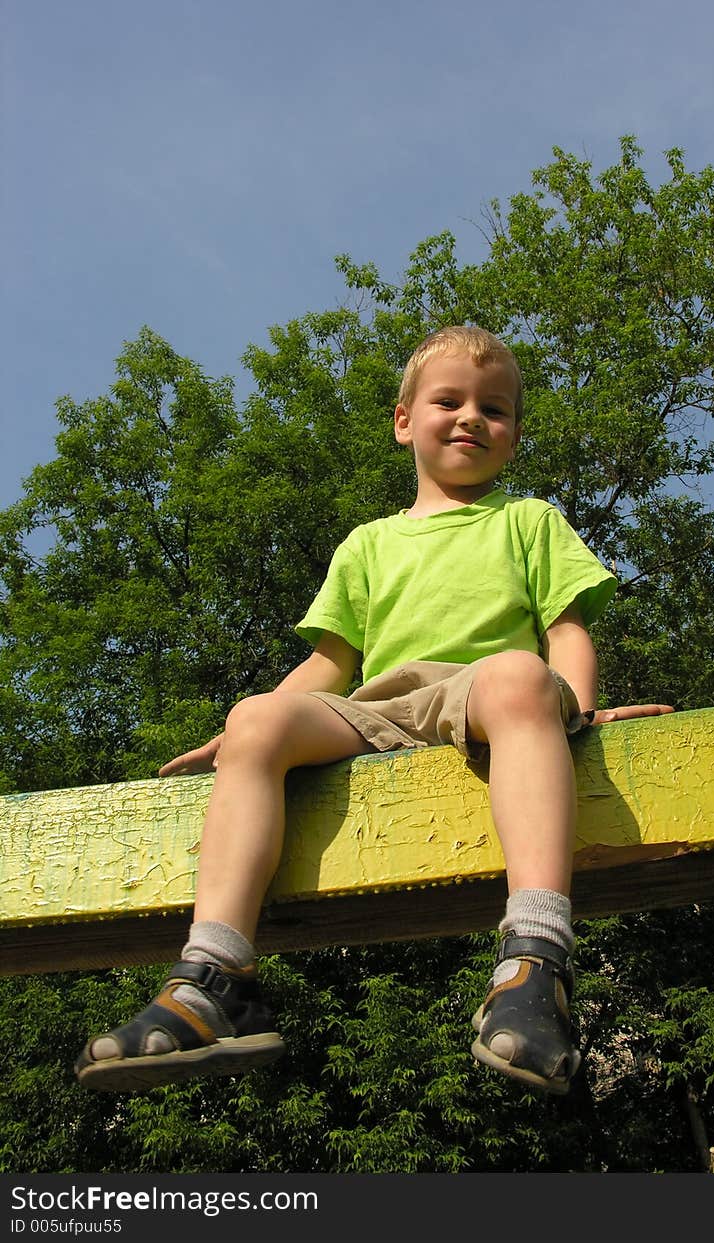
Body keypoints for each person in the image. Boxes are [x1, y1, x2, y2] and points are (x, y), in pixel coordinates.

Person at [75, 326, 672, 1097]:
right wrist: (238, 733)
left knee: (523, 674)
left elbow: (567, 633)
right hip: (381, 708)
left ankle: (535, 960)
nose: (470, 418)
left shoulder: (528, 521)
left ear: (515, 434)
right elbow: (330, 663)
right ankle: (216, 978)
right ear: (403, 420)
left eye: (494, 409)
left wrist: (578, 716)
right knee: (256, 715)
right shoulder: (367, 543)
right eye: (448, 401)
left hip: (483, 692)